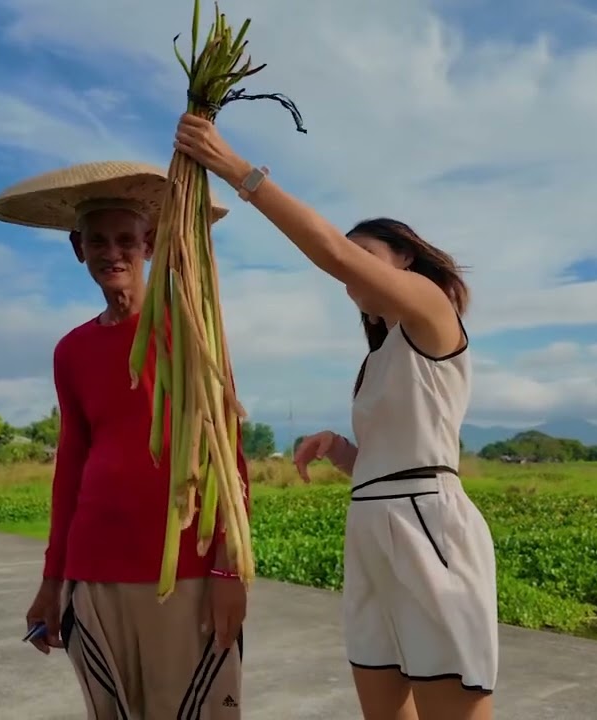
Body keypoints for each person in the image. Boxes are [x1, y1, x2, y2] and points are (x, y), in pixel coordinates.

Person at [174, 118, 498, 719]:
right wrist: (341, 449)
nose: (352, 277)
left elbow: (331, 252)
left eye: (365, 258)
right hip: (371, 529)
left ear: (405, 258)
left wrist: (238, 172)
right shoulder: (379, 359)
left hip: (428, 527)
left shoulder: (432, 312)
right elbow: (392, 460)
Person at [0, 161, 251, 720]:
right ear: (77, 248)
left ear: (149, 245)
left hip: (184, 570)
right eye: (98, 241)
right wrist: (52, 581)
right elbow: (71, 466)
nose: (113, 253)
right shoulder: (71, 350)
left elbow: (229, 456)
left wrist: (229, 570)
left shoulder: (193, 331)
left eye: (126, 240)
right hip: (95, 568)